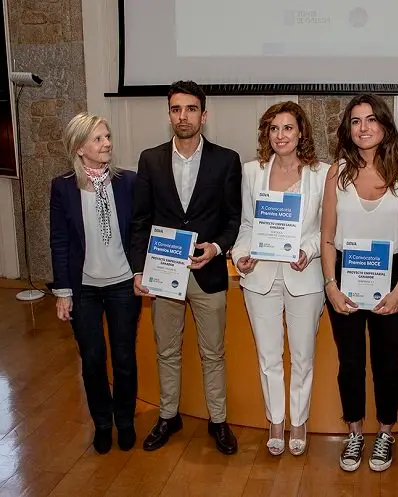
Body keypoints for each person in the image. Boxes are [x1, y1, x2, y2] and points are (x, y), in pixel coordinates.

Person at [130, 80, 242, 455]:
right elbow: (140, 221)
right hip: (164, 274)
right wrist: (139, 269)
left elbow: (233, 219)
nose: (183, 116)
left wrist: (216, 247)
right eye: (176, 109)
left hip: (208, 273)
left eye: (191, 109)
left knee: (213, 353)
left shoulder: (226, 160)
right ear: (169, 115)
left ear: (203, 115)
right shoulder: (150, 159)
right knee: (167, 351)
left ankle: (218, 421)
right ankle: (168, 415)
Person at [321, 94, 398, 472]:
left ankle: (385, 433)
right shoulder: (337, 172)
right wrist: (330, 285)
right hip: (345, 273)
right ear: (348, 129)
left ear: (385, 125)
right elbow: (327, 235)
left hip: (391, 275)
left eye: (371, 120)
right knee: (350, 362)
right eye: (356, 121)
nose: (363, 127)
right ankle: (355, 433)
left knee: (386, 362)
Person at [231, 102, 329, 456]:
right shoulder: (251, 172)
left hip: (304, 277)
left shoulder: (323, 173)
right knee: (268, 356)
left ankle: (298, 421)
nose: (281, 135)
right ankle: (275, 419)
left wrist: (308, 250)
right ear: (266, 134)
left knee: (303, 357)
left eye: (288, 128)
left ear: (301, 132)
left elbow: (326, 230)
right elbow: (246, 224)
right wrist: (240, 253)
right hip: (260, 278)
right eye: (274, 129)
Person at [49, 112, 141, 454]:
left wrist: (140, 270)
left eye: (108, 137)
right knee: (91, 358)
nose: (107, 144)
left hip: (122, 285)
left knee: (124, 357)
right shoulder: (62, 187)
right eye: (99, 139)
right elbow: (59, 239)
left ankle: (126, 421)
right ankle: (103, 423)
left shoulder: (128, 182)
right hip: (83, 287)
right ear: (79, 147)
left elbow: (138, 232)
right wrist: (62, 291)